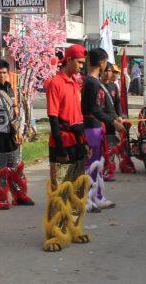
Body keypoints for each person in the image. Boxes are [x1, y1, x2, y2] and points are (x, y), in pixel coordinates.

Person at [43, 44, 90, 251]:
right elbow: (53, 118)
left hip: (78, 142)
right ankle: (54, 235)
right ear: (69, 60)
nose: (81, 66)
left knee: (78, 190)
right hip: (61, 144)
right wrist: (60, 148)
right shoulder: (55, 83)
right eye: (79, 62)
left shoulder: (75, 83)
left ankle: (74, 229)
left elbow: (78, 117)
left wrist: (85, 143)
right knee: (60, 191)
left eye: (83, 63)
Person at [0, 59, 32, 210]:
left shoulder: (10, 89)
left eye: (4, 72)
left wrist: (19, 132)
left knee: (16, 166)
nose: (2, 75)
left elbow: (14, 114)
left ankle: (19, 195)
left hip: (11, 134)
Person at [82, 48, 123, 212]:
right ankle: (87, 199)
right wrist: (113, 122)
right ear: (101, 62)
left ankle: (97, 197)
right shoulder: (92, 82)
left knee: (98, 164)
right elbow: (93, 109)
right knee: (90, 165)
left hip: (96, 127)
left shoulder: (93, 81)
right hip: (91, 127)